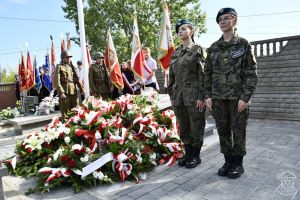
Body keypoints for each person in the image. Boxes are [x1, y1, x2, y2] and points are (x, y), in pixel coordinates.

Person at [204, 8, 258, 179]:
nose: (222, 21)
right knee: (223, 131)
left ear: (234, 21)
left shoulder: (243, 44)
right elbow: (208, 74)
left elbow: (251, 73)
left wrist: (245, 97)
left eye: (226, 18)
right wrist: (207, 96)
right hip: (218, 99)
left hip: (237, 99)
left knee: (238, 131)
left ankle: (238, 164)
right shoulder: (213, 48)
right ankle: (228, 161)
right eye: (220, 19)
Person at [168, 19, 206, 169]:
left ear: (191, 31)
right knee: (184, 126)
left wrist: (202, 97)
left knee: (196, 126)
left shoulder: (198, 50)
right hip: (179, 96)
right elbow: (171, 75)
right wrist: (171, 94)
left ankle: (195, 155)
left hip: (194, 96)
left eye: (184, 28)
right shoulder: (176, 52)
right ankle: (188, 152)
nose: (180, 31)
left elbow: (203, 75)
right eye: (178, 29)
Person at [55, 50, 81, 122]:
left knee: (74, 111)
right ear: (63, 58)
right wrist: (61, 92)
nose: (68, 59)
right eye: (67, 57)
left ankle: (74, 127)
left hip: (73, 91)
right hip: (65, 92)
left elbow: (75, 79)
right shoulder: (59, 66)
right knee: (65, 112)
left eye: (69, 57)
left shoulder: (71, 67)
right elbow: (57, 81)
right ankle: (65, 128)